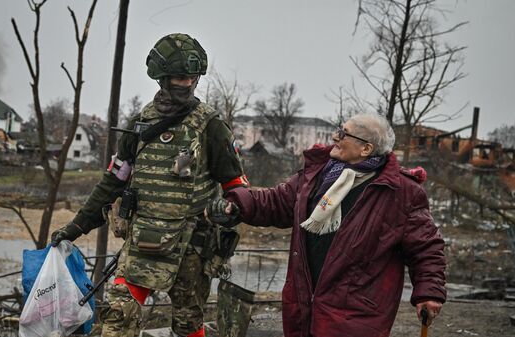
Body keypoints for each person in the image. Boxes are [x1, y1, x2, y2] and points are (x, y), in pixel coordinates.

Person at [51, 33, 248, 337]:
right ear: (162, 78)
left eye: (192, 77)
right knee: (117, 319)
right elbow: (113, 182)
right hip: (143, 244)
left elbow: (237, 187)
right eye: (180, 77)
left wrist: (231, 209)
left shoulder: (211, 126)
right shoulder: (140, 124)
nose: (187, 83)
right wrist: (75, 228)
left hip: (192, 248)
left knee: (188, 326)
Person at [206, 113, 446, 337]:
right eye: (338, 131)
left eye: (344, 134)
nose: (335, 138)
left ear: (366, 148)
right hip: (304, 307)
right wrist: (237, 203)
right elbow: (277, 202)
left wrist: (429, 292)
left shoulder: (401, 192)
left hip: (355, 317)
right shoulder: (319, 175)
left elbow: (426, 248)